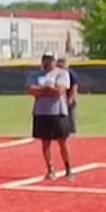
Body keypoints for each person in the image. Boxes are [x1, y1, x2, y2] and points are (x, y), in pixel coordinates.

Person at [28, 53, 76, 181]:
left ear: (54, 61)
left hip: (58, 112)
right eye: (45, 59)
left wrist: (42, 91)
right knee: (45, 143)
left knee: (62, 142)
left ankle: (68, 169)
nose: (47, 62)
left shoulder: (62, 73)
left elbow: (59, 91)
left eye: (50, 59)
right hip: (41, 112)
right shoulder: (35, 75)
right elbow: (31, 90)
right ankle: (50, 169)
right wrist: (48, 89)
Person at [56, 55, 79, 134]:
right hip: (59, 98)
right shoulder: (56, 73)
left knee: (70, 114)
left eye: (62, 64)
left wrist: (70, 98)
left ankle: (72, 130)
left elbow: (74, 87)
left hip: (69, 97)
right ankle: (61, 130)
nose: (60, 66)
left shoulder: (70, 74)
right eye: (58, 64)